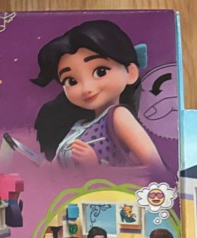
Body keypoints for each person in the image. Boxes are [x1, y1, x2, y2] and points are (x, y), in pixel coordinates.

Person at [32, 20, 163, 169]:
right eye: (71, 81)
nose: (86, 88)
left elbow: (156, 170)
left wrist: (96, 166)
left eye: (100, 72)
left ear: (131, 73)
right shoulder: (77, 126)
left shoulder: (118, 116)